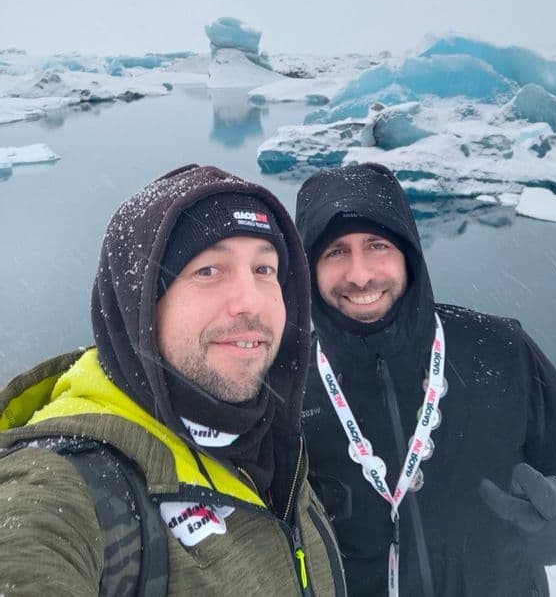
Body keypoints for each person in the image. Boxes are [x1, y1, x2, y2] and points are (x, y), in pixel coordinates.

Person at [0, 163, 346, 596]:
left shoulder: (268, 437)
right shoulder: (66, 483)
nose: (250, 302)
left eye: (264, 270)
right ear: (140, 303)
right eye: (208, 271)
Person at [296, 162, 556, 597]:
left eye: (377, 245)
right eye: (335, 252)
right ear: (308, 268)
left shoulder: (499, 348)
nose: (360, 274)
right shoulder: (289, 386)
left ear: (409, 252)